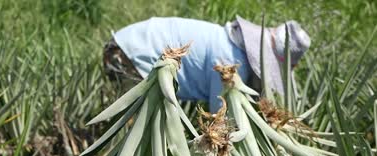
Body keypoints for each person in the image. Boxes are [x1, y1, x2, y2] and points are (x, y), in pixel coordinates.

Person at [103, 16, 311, 113]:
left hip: (123, 44)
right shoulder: (233, 64)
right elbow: (219, 118)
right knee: (131, 129)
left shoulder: (230, 43)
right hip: (128, 56)